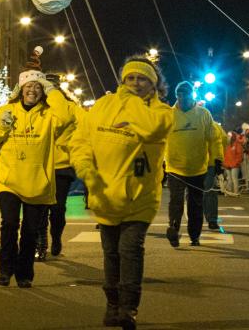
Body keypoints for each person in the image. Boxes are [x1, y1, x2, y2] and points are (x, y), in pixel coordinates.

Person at [71, 54, 174, 330]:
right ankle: (112, 304)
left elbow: (151, 130)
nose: (135, 83)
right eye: (130, 78)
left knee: (130, 250)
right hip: (105, 194)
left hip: (139, 196)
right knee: (111, 253)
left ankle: (129, 308)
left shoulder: (161, 112)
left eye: (142, 79)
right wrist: (85, 167)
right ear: (122, 79)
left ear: (154, 84)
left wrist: (129, 101)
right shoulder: (104, 105)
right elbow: (81, 139)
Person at [0, 69, 75, 288]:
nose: (33, 90)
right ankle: (5, 270)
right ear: (20, 90)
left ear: (43, 92)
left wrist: (52, 91)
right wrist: (2, 125)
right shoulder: (7, 110)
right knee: (9, 224)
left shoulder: (49, 113)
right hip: (8, 180)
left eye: (38, 87)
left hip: (37, 182)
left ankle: (24, 274)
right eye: (28, 86)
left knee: (30, 231)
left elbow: (66, 117)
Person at [162, 81, 214, 247]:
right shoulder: (169, 115)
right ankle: (174, 228)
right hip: (174, 167)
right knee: (175, 201)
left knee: (196, 204)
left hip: (197, 168)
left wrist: (216, 160)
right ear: (176, 96)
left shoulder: (204, 114)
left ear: (193, 95)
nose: (183, 98)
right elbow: (159, 139)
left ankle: (194, 235)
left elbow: (214, 139)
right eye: (179, 95)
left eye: (186, 94)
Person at [40, 82, 85, 258]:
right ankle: (41, 242)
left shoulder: (71, 107)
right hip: (40, 164)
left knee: (58, 208)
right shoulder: (38, 107)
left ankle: (56, 237)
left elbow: (85, 124)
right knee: (40, 207)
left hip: (62, 165)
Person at [221, 125, 246, 195]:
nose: (228, 137)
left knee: (234, 179)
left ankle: (235, 192)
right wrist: (224, 163)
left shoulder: (237, 144)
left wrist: (236, 163)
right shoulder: (226, 145)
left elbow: (240, 155)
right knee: (229, 179)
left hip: (234, 165)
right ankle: (230, 192)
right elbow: (224, 155)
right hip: (227, 165)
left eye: (229, 136)